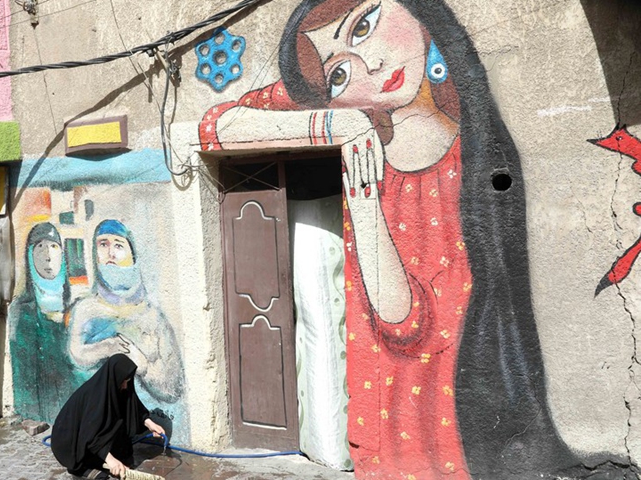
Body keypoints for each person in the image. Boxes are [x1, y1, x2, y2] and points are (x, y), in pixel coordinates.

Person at [199, 0, 583, 478]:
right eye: (339, 75)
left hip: (454, 421)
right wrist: (340, 124)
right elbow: (214, 123)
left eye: (364, 25)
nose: (370, 64)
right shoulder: (367, 148)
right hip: (395, 412)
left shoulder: (479, 151)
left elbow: (416, 322)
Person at [67, 220, 184, 403]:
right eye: (103, 244)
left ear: (132, 255)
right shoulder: (85, 310)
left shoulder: (153, 317)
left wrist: (143, 366)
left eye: (119, 245)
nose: (111, 253)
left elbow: (173, 388)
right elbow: (76, 355)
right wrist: (106, 347)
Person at [51, 354, 166, 479]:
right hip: (71, 441)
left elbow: (133, 408)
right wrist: (110, 460)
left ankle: (105, 459)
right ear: (115, 377)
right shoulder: (95, 397)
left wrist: (150, 424)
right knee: (101, 475)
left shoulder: (117, 388)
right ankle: (82, 469)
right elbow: (90, 435)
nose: (125, 386)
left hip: (90, 436)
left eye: (128, 382)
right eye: (123, 381)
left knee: (123, 450)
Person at [10, 222, 77, 423]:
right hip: (45, 407)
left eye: (53, 247)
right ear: (29, 256)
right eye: (40, 247)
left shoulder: (74, 305)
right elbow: (24, 374)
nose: (47, 256)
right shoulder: (23, 309)